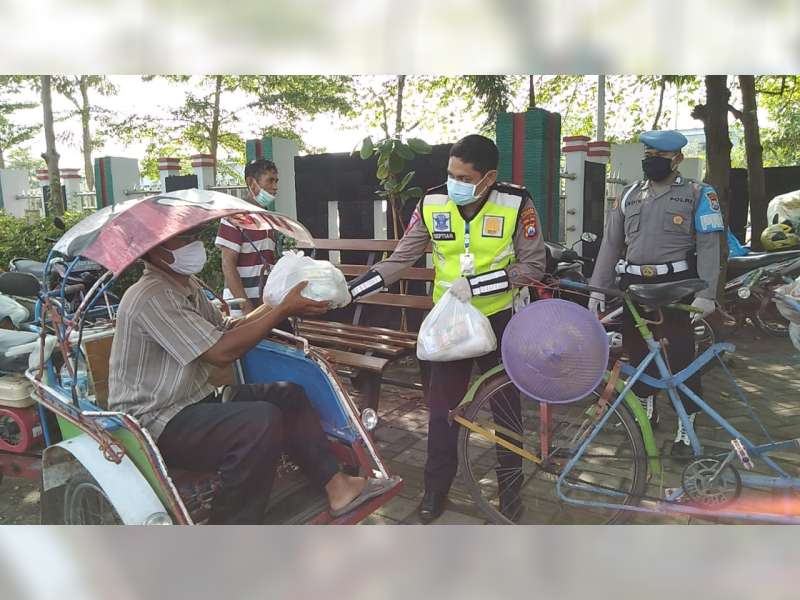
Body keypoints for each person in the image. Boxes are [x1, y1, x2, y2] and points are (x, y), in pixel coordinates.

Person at [108, 226, 398, 524]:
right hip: (154, 422)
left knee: (288, 393)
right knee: (258, 421)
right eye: (184, 240)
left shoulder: (184, 286)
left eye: (194, 237)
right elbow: (222, 352)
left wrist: (276, 303)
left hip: (191, 401)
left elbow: (227, 329)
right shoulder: (151, 296)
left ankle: (337, 487)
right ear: (154, 250)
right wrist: (282, 309)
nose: (194, 245)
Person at [348, 134, 546, 522]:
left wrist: (477, 285)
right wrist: (350, 291)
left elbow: (533, 267)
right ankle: (435, 490)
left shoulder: (517, 203)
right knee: (442, 412)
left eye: (463, 176)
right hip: (450, 326)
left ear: (488, 178)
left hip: (499, 319)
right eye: (450, 173)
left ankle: (509, 491)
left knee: (506, 411)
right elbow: (401, 259)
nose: (453, 181)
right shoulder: (433, 201)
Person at [588, 129, 724, 456]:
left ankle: (686, 426)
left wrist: (707, 293)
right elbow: (611, 244)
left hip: (677, 290)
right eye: (647, 156)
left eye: (659, 158)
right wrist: (598, 288)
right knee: (637, 355)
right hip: (634, 290)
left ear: (676, 159)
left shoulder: (698, 193)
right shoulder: (630, 194)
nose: (652, 162)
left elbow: (709, 245)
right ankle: (647, 409)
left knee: (679, 359)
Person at [215, 159, 280, 315]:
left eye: (276, 181)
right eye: (270, 181)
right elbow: (227, 265)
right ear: (251, 182)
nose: (275, 187)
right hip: (240, 307)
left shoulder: (268, 219)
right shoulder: (235, 217)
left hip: (263, 304)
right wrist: (247, 308)